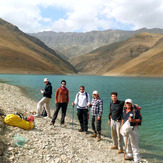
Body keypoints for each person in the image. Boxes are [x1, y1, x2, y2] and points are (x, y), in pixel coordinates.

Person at [121, 99, 142, 163]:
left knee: (134, 144)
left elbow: (140, 120)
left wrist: (132, 121)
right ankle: (129, 155)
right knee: (127, 143)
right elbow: (122, 119)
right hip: (125, 129)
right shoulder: (124, 110)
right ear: (125, 104)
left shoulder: (135, 111)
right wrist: (121, 127)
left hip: (133, 129)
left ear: (131, 104)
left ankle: (136, 159)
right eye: (127, 103)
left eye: (129, 103)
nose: (128, 104)